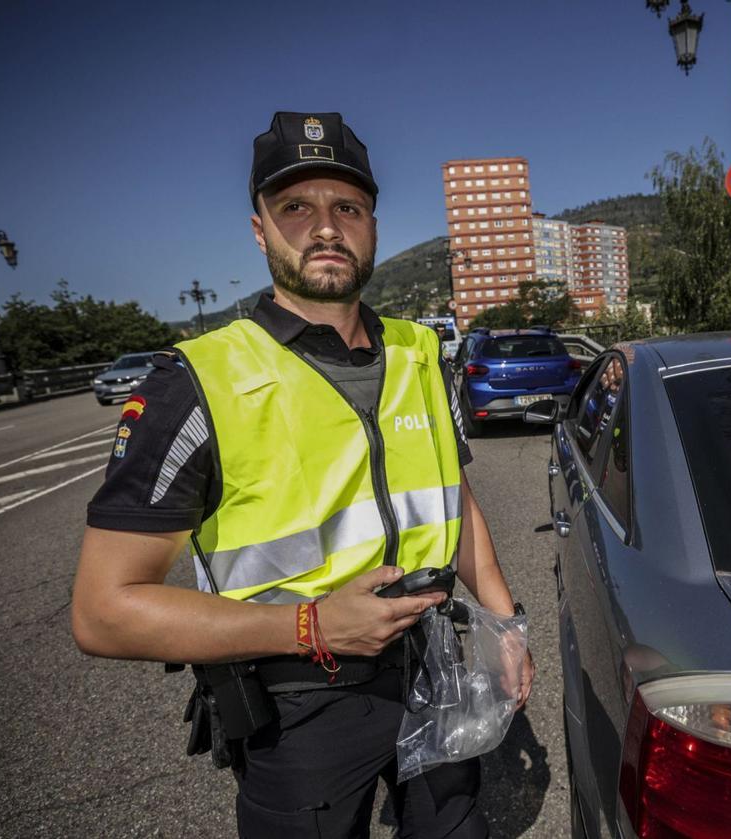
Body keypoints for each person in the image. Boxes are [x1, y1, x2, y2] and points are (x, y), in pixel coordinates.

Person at [71, 111, 533, 838]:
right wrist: (310, 625)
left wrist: (505, 623)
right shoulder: (194, 381)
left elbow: (456, 495)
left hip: (436, 668)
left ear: (373, 226)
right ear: (260, 230)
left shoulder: (419, 352)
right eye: (295, 207)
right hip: (298, 709)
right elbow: (103, 611)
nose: (324, 228)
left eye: (346, 208)